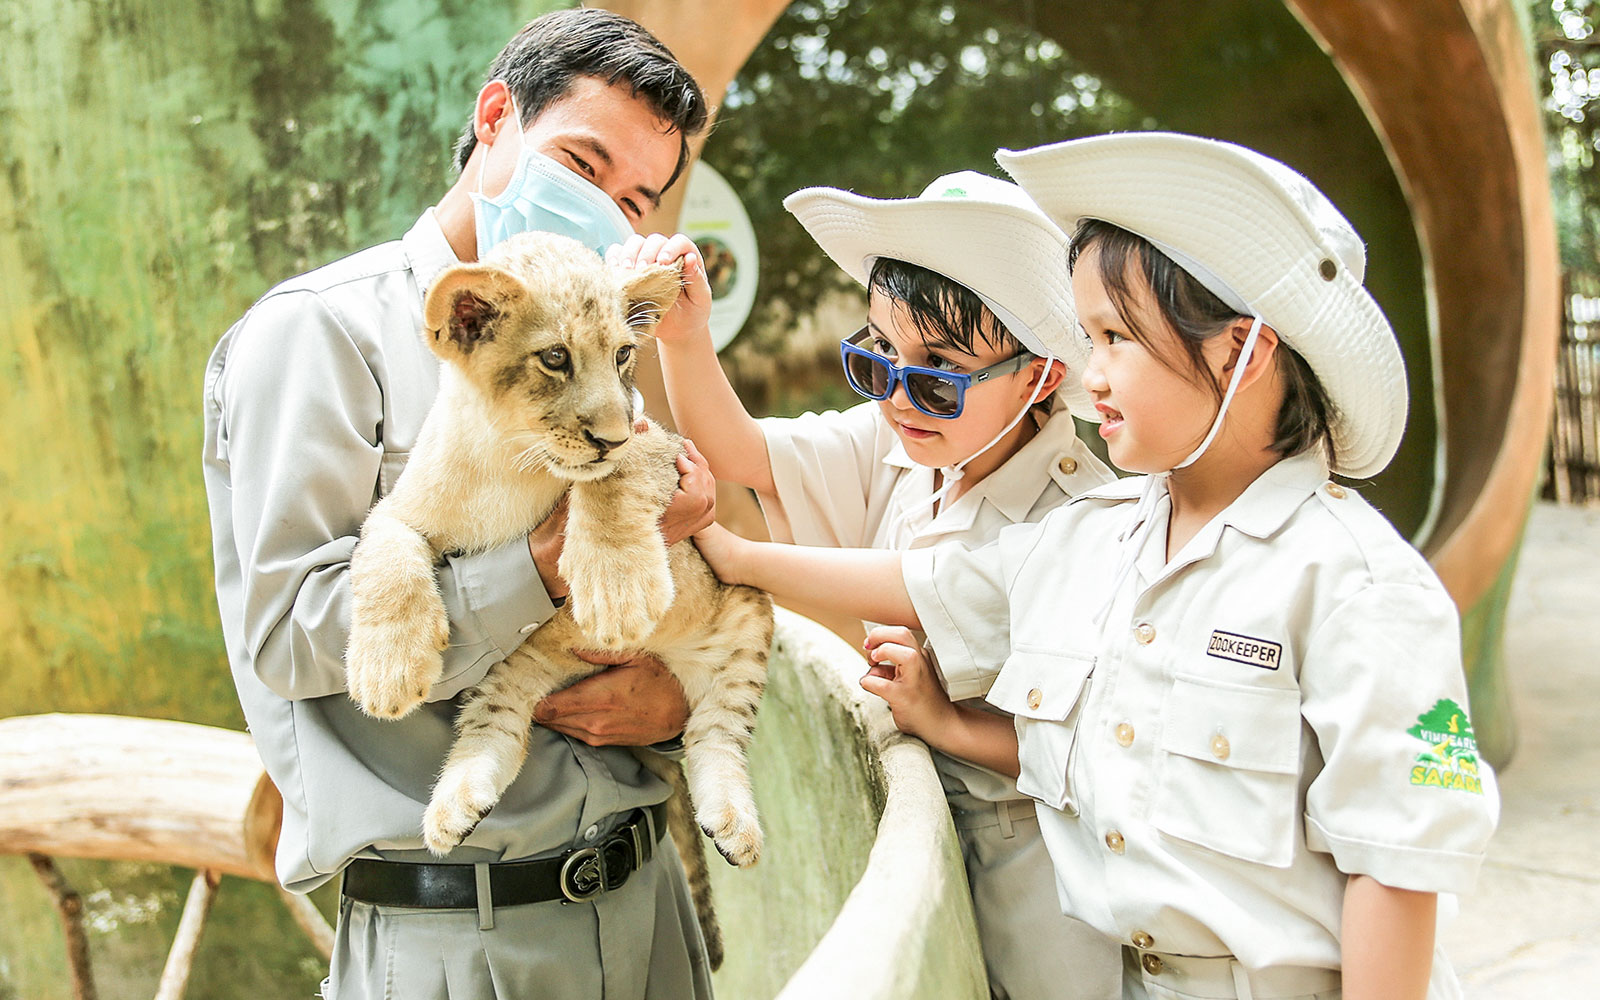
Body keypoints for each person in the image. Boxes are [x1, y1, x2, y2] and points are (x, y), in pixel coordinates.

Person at [689, 132, 1500, 1000]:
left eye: (1117, 338)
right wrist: (730, 554)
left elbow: (1395, 871)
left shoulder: (1359, 585)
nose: (1092, 373)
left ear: (1242, 352)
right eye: (1088, 336)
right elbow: (922, 588)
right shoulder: (1101, 534)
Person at [201, 10, 719, 999]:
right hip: (457, 930)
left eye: (635, 197)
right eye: (580, 161)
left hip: (647, 903)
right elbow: (287, 637)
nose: (604, 208)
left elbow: (645, 596)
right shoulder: (319, 337)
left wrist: (671, 709)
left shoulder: (603, 341)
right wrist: (540, 567)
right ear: (495, 119)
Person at [615, 170, 1122, 999]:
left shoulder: (1081, 512)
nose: (897, 396)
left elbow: (926, 586)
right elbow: (742, 453)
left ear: (1038, 378)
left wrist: (738, 558)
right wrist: (684, 338)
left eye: (937, 374)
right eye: (879, 357)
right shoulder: (903, 442)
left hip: (1045, 866)